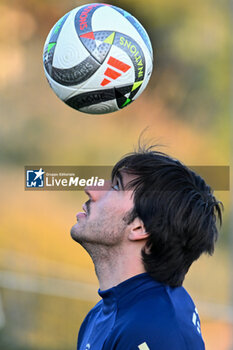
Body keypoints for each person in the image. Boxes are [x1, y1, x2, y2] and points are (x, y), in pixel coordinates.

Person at [70, 145, 222, 350]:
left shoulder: (154, 332)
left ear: (140, 227)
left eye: (116, 187)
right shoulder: (103, 314)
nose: (91, 189)